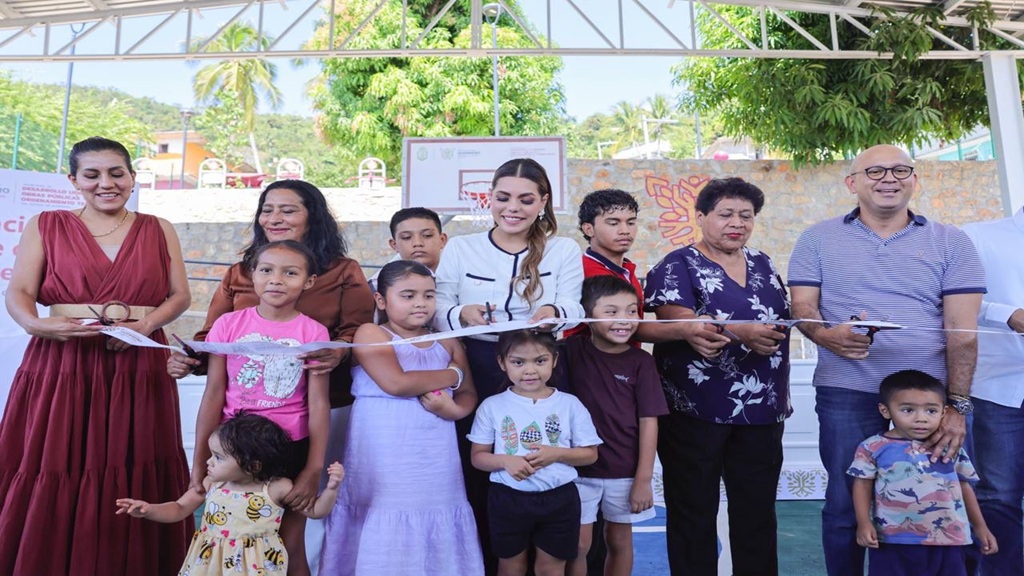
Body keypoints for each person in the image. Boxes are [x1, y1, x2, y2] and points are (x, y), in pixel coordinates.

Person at [788, 145, 985, 576]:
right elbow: (802, 307)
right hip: (846, 389)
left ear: (915, 179)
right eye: (874, 170)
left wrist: (956, 406)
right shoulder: (817, 238)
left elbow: (963, 333)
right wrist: (825, 335)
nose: (888, 178)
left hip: (928, 401)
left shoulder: (952, 241)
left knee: (945, 497)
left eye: (900, 169)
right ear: (852, 182)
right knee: (845, 501)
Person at [0, 136, 193, 575]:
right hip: (62, 361)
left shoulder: (159, 227)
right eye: (92, 174)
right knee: (55, 460)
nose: (105, 183)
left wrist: (144, 328)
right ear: (74, 180)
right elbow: (21, 292)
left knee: (135, 457)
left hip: (138, 361)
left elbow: (179, 296)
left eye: (116, 173)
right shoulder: (46, 223)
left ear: (132, 177)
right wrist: (35, 324)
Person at [434, 158, 584, 574]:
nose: (512, 207)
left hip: (546, 368)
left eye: (525, 198)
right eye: (503, 197)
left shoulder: (564, 248)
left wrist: (554, 309)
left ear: (543, 202)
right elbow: (438, 309)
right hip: (479, 365)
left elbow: (575, 305)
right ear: (490, 199)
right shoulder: (462, 247)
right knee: (481, 467)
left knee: (549, 459)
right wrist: (463, 313)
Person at [644, 177, 791, 575]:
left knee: (758, 512)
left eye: (746, 215)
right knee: (693, 510)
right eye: (726, 214)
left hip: (763, 410)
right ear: (702, 217)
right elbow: (678, 321)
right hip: (695, 411)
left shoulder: (763, 262)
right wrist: (741, 331)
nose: (737, 223)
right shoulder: (676, 264)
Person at [320, 260, 483, 575]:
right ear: (381, 300)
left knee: (434, 508)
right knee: (387, 509)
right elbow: (396, 384)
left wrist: (456, 410)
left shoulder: (447, 339)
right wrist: (452, 374)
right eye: (408, 295)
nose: (420, 303)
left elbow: (469, 393)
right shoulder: (370, 333)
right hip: (384, 451)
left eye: (428, 295)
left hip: (435, 453)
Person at [166, 178, 375, 409]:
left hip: (325, 402)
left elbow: (359, 331)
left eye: (287, 211)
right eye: (267, 211)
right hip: (246, 406)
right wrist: (189, 360)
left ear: (312, 218)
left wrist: (337, 352)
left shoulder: (343, 271)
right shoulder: (240, 273)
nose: (274, 219)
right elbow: (211, 339)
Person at [190, 240, 332, 576]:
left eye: (291, 272)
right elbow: (213, 392)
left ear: (309, 281)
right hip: (233, 451)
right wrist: (199, 460)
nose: (277, 280)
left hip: (289, 450)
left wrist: (313, 468)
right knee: (232, 541)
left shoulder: (313, 332)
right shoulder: (227, 326)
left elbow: (319, 403)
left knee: (289, 544)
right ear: (252, 275)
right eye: (266, 270)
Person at [117, 413, 345, 576]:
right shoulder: (213, 482)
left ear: (253, 466)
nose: (208, 461)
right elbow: (179, 508)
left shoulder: (277, 488)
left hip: (257, 566)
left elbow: (315, 511)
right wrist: (148, 510)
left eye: (218, 457)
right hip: (210, 564)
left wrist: (332, 488)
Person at [467, 329, 601, 576]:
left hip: (560, 499)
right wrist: (505, 461)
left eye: (540, 361)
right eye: (518, 362)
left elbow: (590, 454)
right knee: (510, 565)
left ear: (555, 360)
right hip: (508, 498)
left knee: (551, 568)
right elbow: (478, 457)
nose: (530, 370)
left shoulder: (570, 404)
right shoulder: (492, 406)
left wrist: (556, 454)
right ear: (502, 363)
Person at [565, 276, 668, 576]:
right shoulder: (569, 351)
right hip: (577, 471)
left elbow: (649, 421)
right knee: (579, 544)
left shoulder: (641, 362)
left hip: (624, 471)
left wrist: (643, 480)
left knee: (619, 540)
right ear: (587, 314)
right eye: (611, 311)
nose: (624, 319)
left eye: (631, 310)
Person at [848, 370, 997, 576]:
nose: (921, 419)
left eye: (931, 411)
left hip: (950, 539)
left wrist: (981, 527)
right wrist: (864, 523)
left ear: (944, 412)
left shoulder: (949, 447)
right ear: (885, 410)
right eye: (908, 410)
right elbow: (862, 484)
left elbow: (964, 487)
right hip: (893, 540)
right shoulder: (872, 447)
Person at [961, 208, 1024, 575]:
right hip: (999, 388)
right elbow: (947, 297)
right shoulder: (976, 235)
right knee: (999, 496)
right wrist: (1008, 313)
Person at [563, 189, 644, 340]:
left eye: (631, 222)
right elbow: (625, 327)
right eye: (613, 223)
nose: (625, 231)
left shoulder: (626, 269)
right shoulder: (584, 272)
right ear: (589, 229)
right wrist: (683, 328)